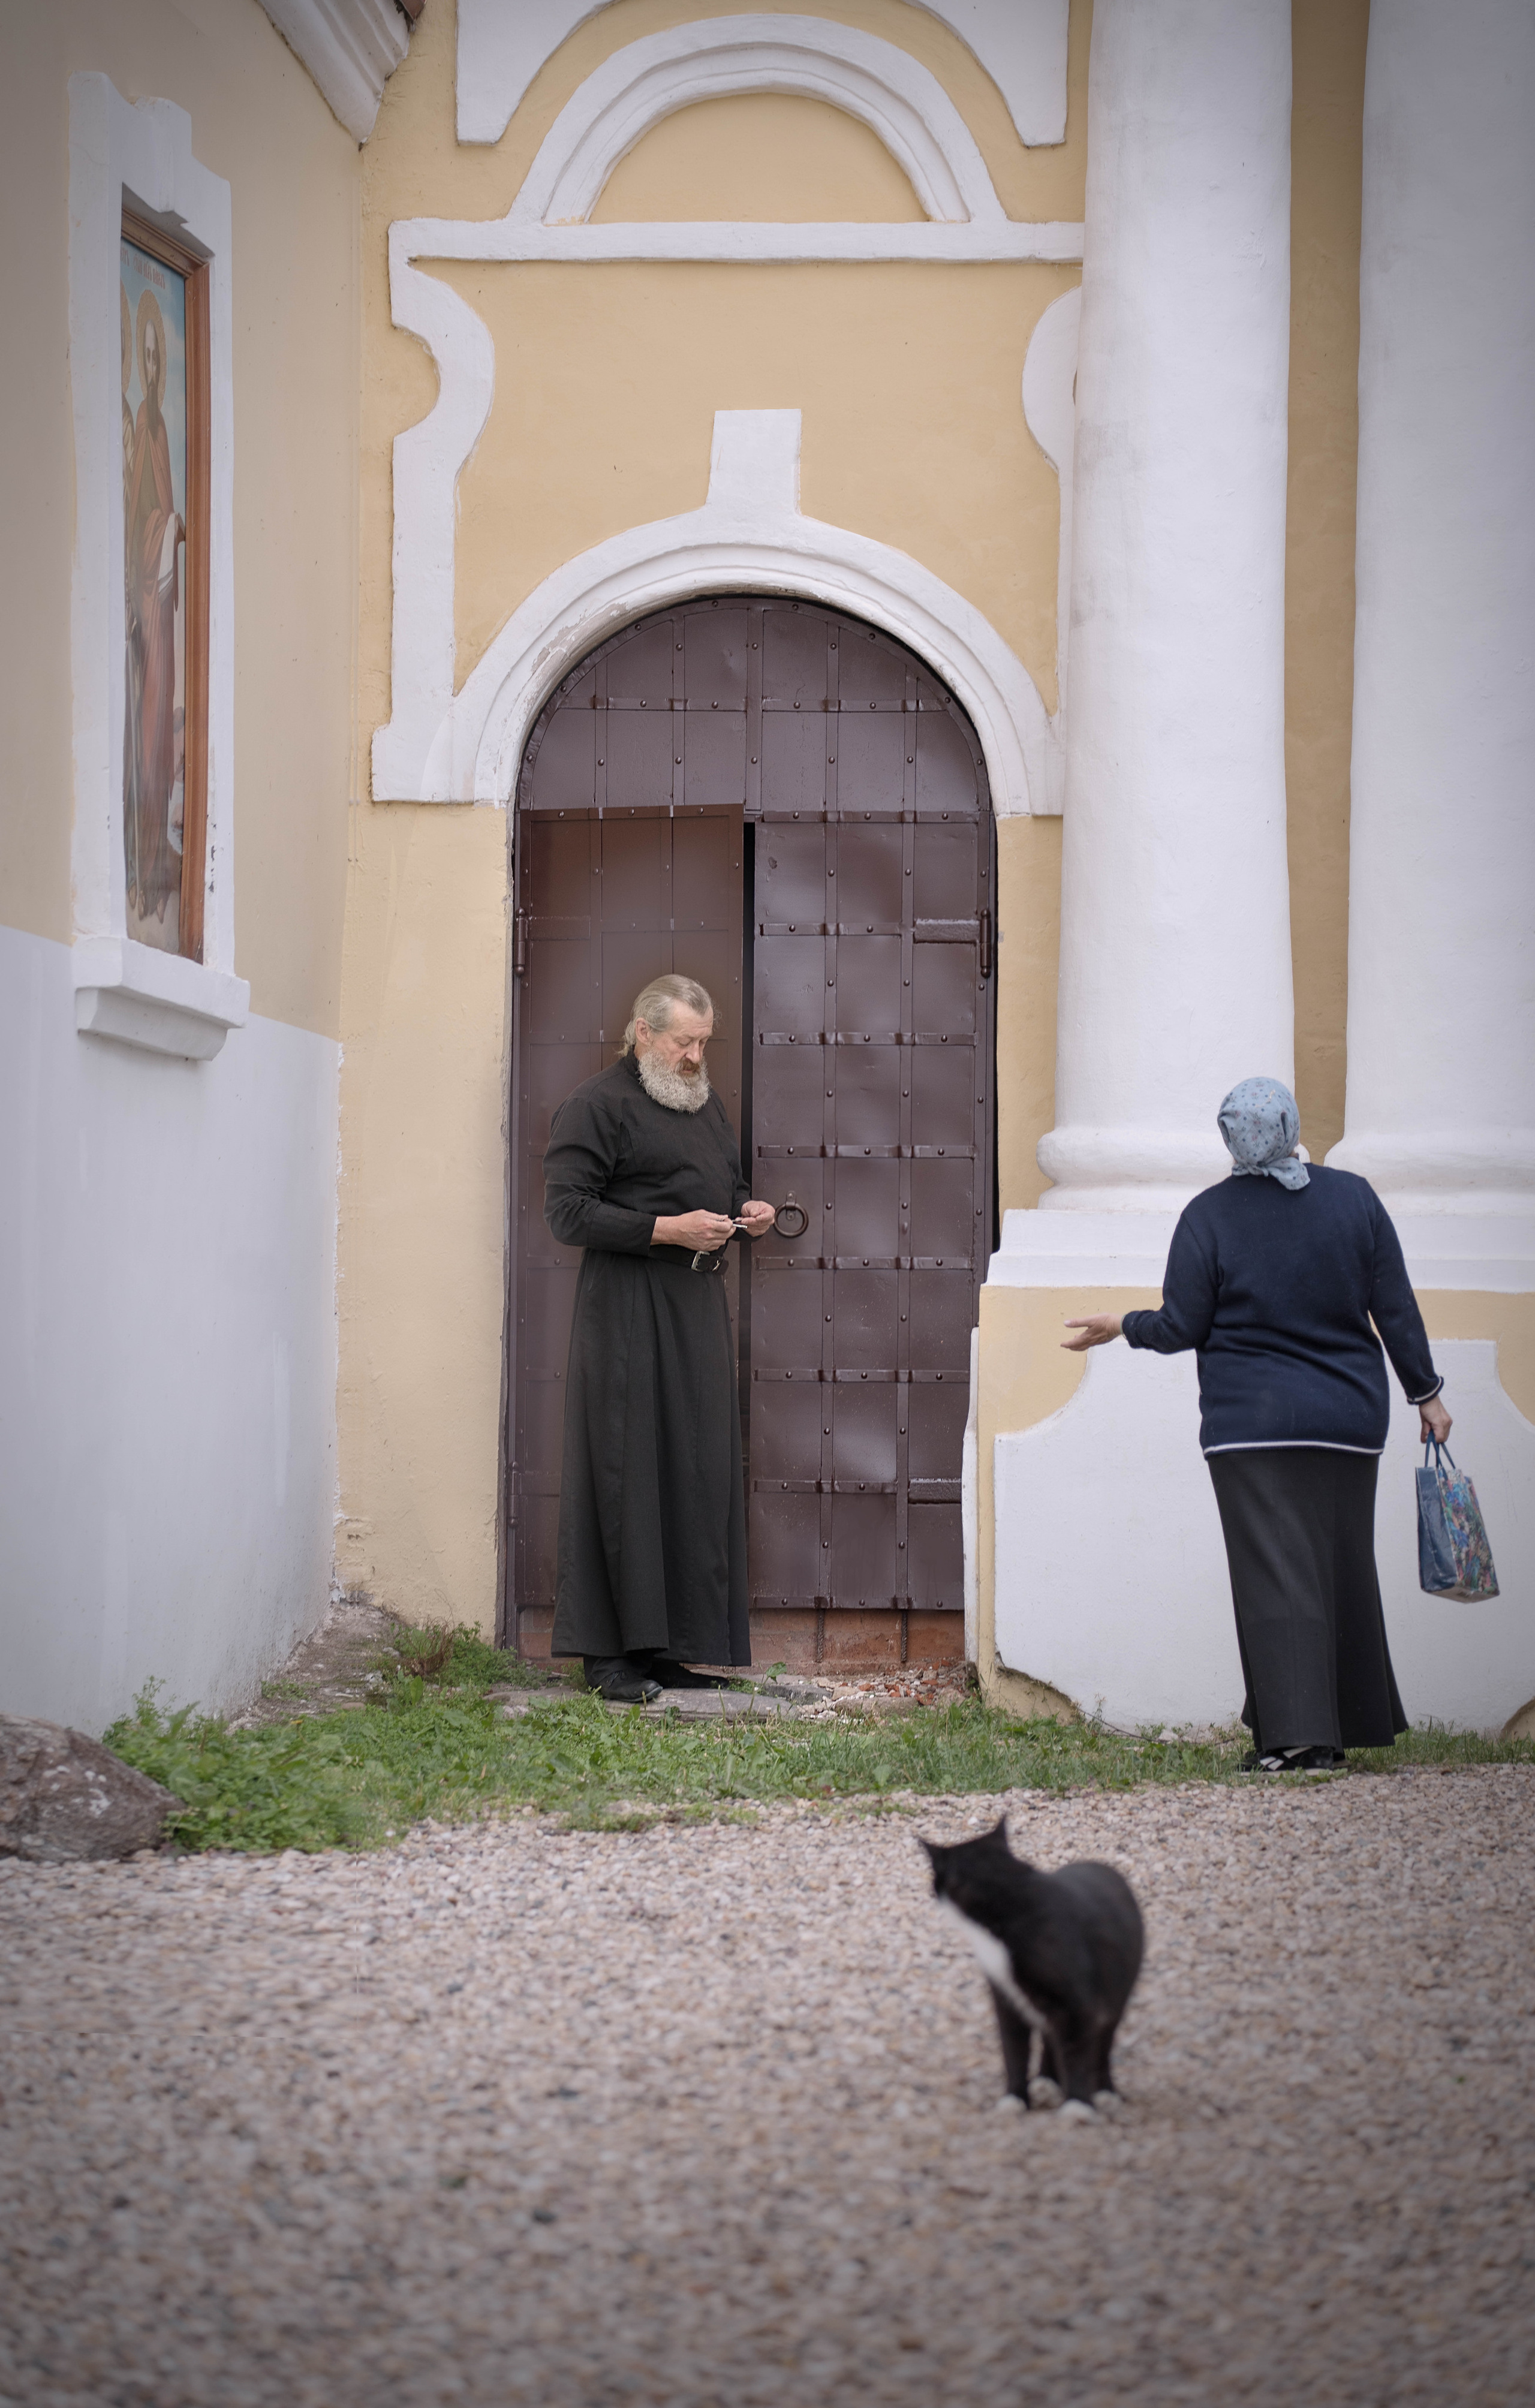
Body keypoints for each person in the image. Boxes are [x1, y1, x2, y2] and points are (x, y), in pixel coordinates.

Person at [1063, 1077, 1452, 1772]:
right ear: (1290, 1123)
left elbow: (1182, 1325)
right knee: (1340, 1572)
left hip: (1252, 1428)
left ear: (1229, 1137)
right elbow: (1394, 1305)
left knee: (1276, 1577)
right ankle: (1341, 1723)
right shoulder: (1355, 1197)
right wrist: (1425, 1393)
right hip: (1349, 1421)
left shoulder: (1208, 1216)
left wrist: (1122, 1325)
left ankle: (1299, 1738)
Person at [543, 975, 776, 1702]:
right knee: (624, 1467)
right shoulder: (595, 1104)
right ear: (643, 1032)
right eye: (684, 1040)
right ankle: (609, 1660)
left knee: (692, 1468)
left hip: (695, 1302)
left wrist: (748, 1207)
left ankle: (670, 1648)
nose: (694, 1055)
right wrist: (665, 1230)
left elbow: (724, 1179)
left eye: (703, 1042)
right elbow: (567, 1213)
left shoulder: (701, 1104)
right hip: (626, 1306)